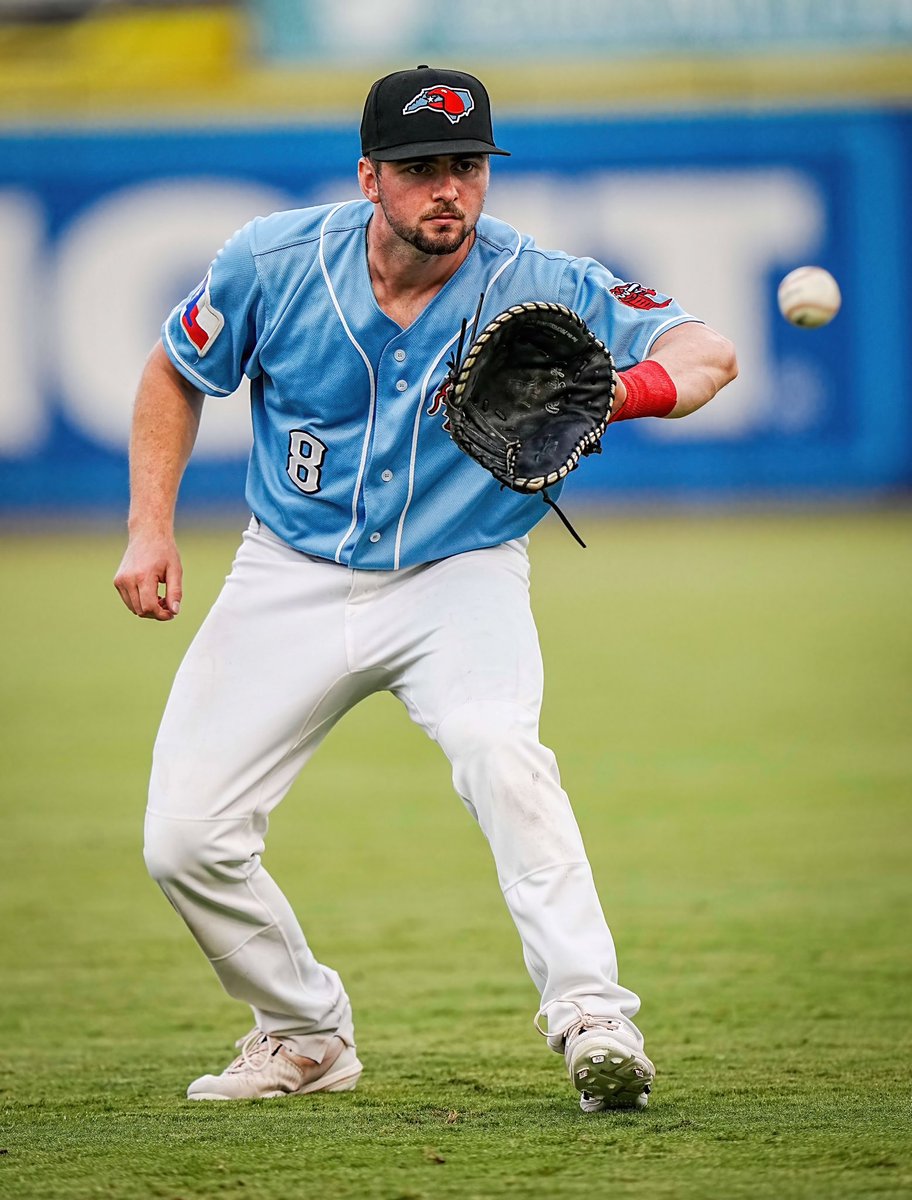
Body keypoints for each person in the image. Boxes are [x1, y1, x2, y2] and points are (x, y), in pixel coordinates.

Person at [114, 65, 737, 1111]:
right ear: (370, 177)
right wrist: (150, 529)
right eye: (419, 168)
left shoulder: (536, 277)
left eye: (467, 166)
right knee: (183, 839)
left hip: (461, 573)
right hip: (290, 572)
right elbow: (175, 370)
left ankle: (593, 1017)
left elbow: (707, 352)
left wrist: (621, 390)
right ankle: (305, 1032)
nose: (448, 188)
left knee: (502, 753)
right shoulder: (271, 261)